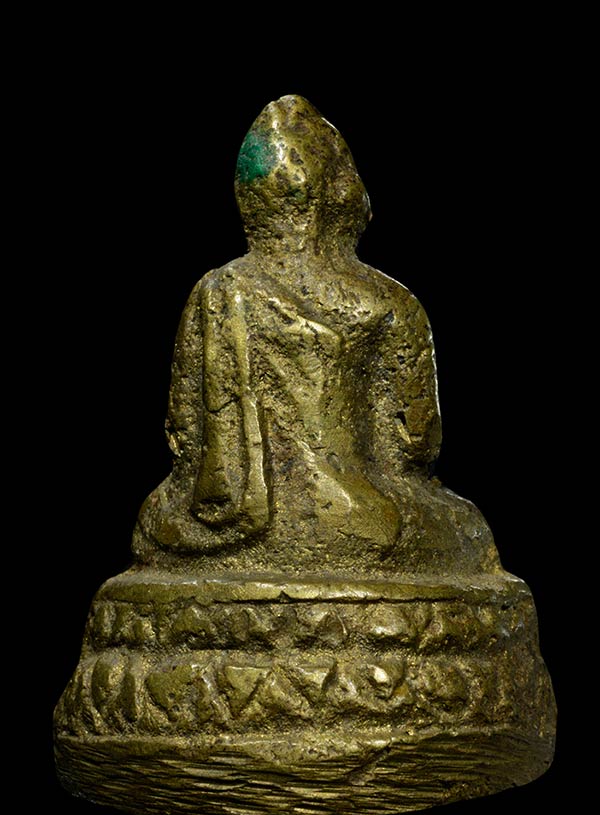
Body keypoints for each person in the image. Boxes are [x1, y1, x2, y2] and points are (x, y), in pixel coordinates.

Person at [133, 95, 501, 578]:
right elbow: (416, 444)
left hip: (224, 522)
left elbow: (184, 434)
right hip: (362, 517)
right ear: (342, 192)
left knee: (154, 522)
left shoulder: (218, 290)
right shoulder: (387, 302)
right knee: (465, 528)